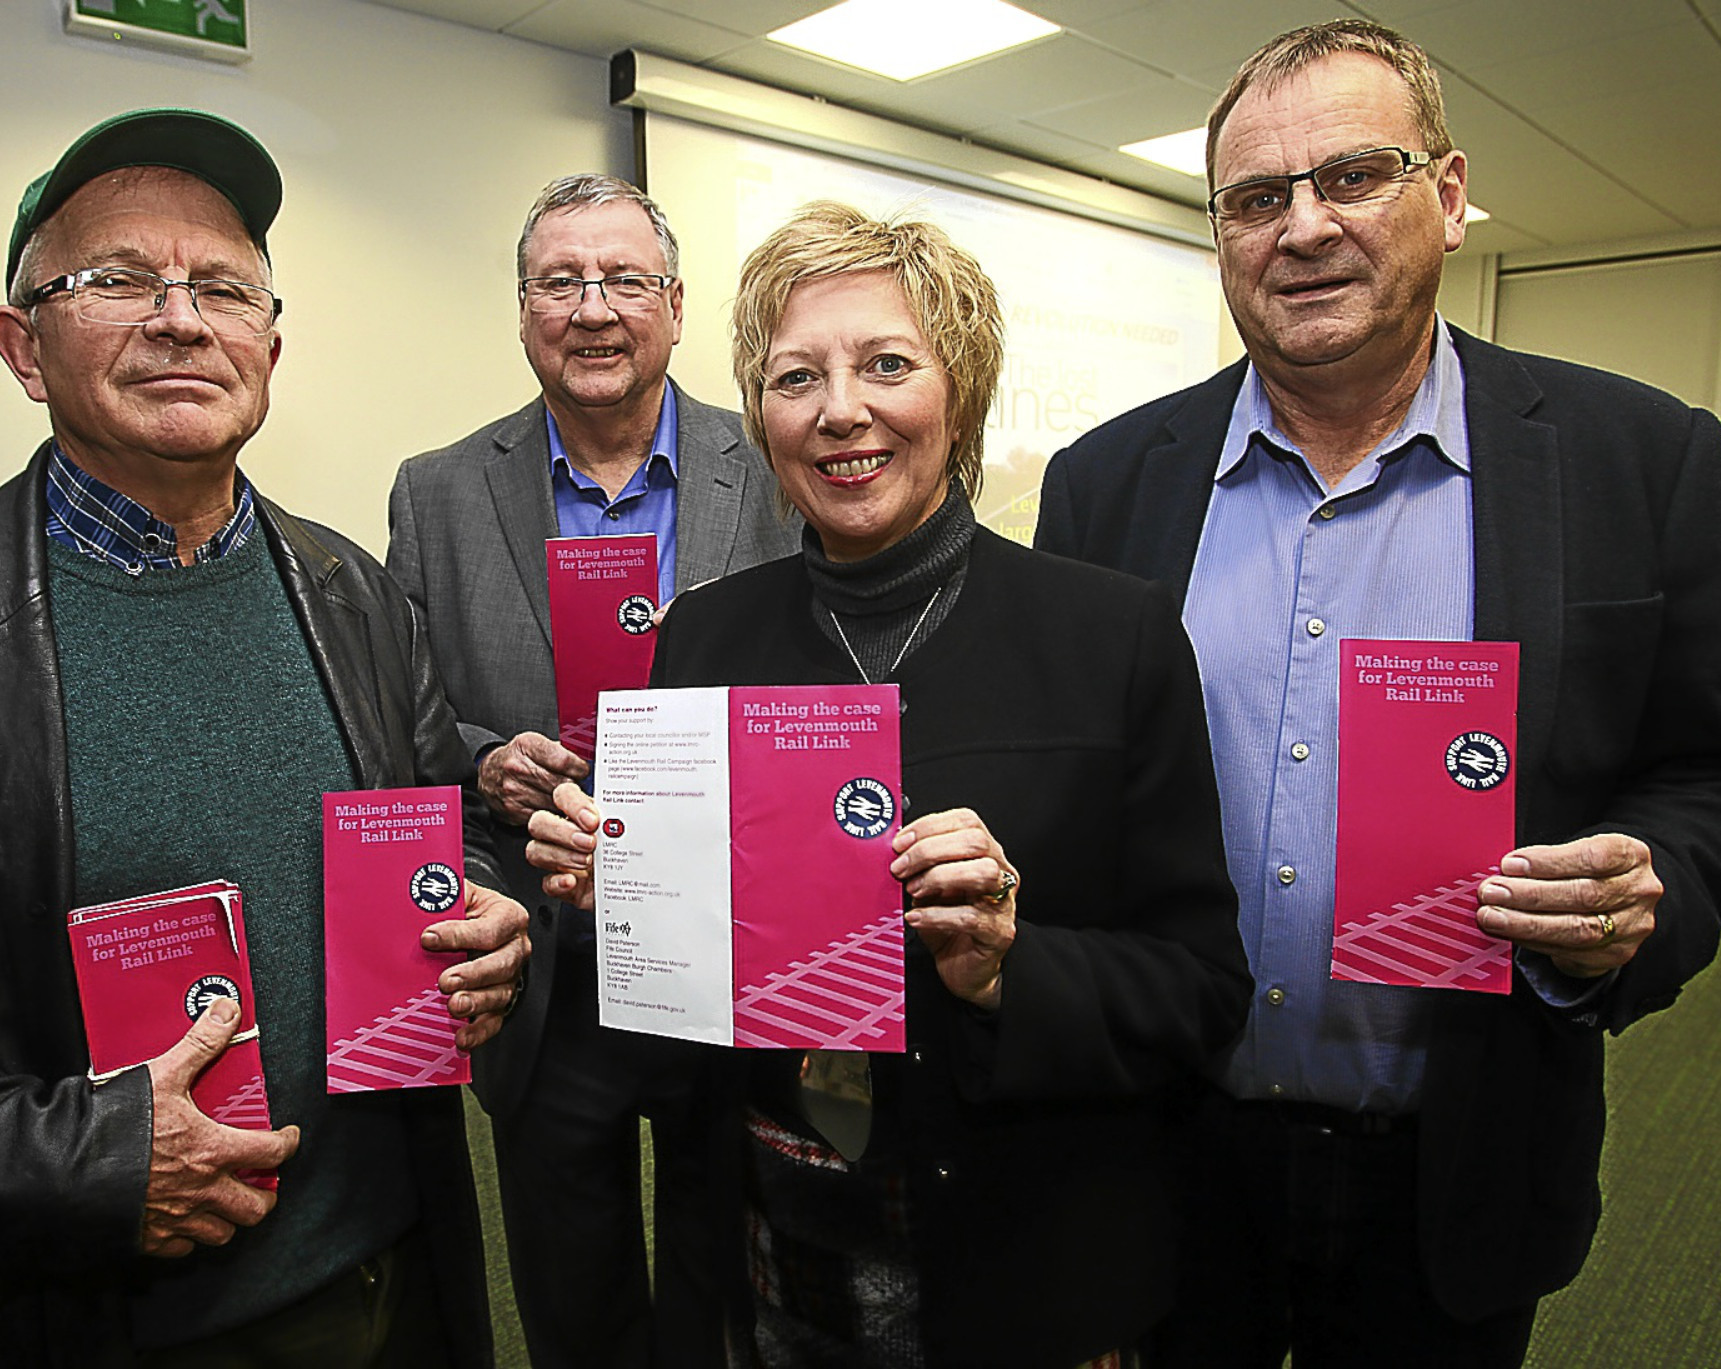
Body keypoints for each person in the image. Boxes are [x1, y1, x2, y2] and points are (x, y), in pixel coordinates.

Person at [0, 108, 529, 1368]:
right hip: (81, 1316)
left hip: (396, 1276)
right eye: (119, 280)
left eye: (224, 287)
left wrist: (489, 907)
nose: (181, 318)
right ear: (22, 347)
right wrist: (82, 1159)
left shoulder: (361, 601)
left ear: (270, 345)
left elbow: (443, 833)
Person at [1035, 20, 1721, 1368]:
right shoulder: (1108, 484)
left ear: (1446, 197)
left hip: (1461, 1158)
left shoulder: (1635, 461)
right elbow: (1072, 808)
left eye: (1352, 177)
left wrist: (1644, 893)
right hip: (1163, 1156)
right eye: (1257, 198)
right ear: (1221, 235)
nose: (1303, 228)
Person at [527, 202, 1252, 1367]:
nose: (839, 410)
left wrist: (1010, 967)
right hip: (776, 1253)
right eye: (795, 376)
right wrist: (613, 906)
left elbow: (1202, 989)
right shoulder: (703, 642)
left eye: (885, 364)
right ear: (761, 417)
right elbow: (665, 1032)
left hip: (1029, 1266)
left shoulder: (1108, 635)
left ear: (958, 388)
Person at [386, 173, 795, 1365]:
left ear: (673, 303)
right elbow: (404, 716)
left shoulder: (770, 459)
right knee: (573, 1296)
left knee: (727, 1284)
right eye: (560, 282)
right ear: (521, 312)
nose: (593, 307)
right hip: (543, 961)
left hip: (728, 944)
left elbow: (832, 681)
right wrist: (480, 760)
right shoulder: (439, 488)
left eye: (622, 278)